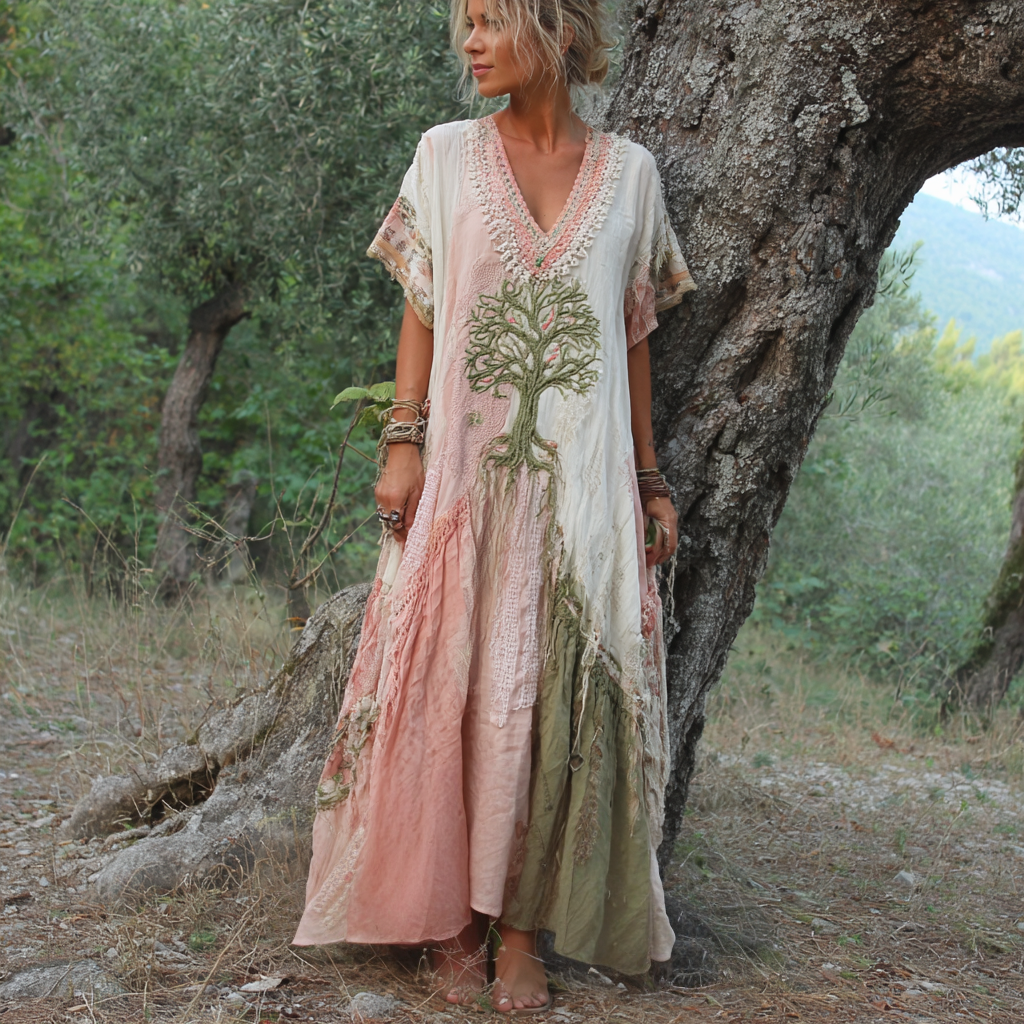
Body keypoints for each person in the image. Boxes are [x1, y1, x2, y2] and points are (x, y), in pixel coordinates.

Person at [293, 0, 696, 1012]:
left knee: (549, 699)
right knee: (453, 687)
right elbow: (422, 307)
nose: (468, 42)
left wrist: (650, 479)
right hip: (465, 482)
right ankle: (451, 922)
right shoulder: (443, 156)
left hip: (580, 495)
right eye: (464, 23)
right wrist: (402, 438)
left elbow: (633, 338)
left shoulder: (633, 176)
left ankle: (521, 928)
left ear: (556, 29)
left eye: (488, 21)